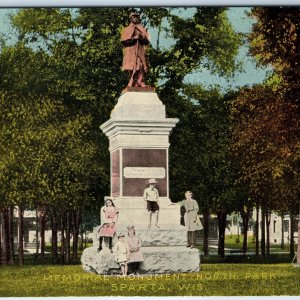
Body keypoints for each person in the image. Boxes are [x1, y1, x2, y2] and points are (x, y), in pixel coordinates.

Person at [121, 11, 150, 88]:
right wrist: (134, 38)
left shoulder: (142, 29)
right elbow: (124, 41)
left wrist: (141, 37)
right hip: (131, 51)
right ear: (131, 19)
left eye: (137, 17)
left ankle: (140, 81)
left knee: (140, 65)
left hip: (140, 50)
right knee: (133, 66)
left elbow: (147, 41)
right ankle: (133, 81)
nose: (136, 18)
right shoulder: (127, 29)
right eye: (134, 17)